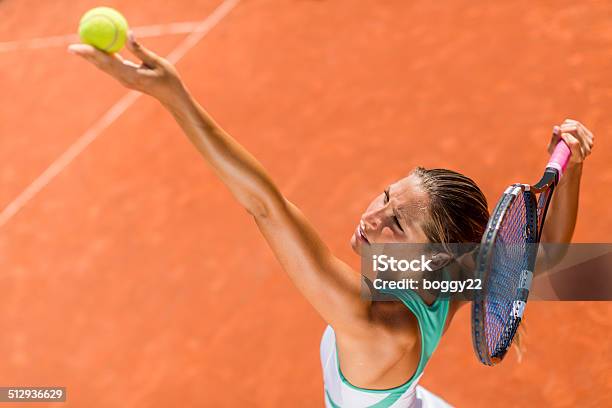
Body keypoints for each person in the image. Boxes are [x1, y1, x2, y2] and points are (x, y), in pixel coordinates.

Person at [68, 35, 594, 407]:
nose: (373, 219)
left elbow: (266, 206)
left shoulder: (374, 327)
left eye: (398, 226)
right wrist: (570, 171)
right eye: (387, 197)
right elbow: (541, 257)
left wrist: (173, 95)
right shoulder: (451, 277)